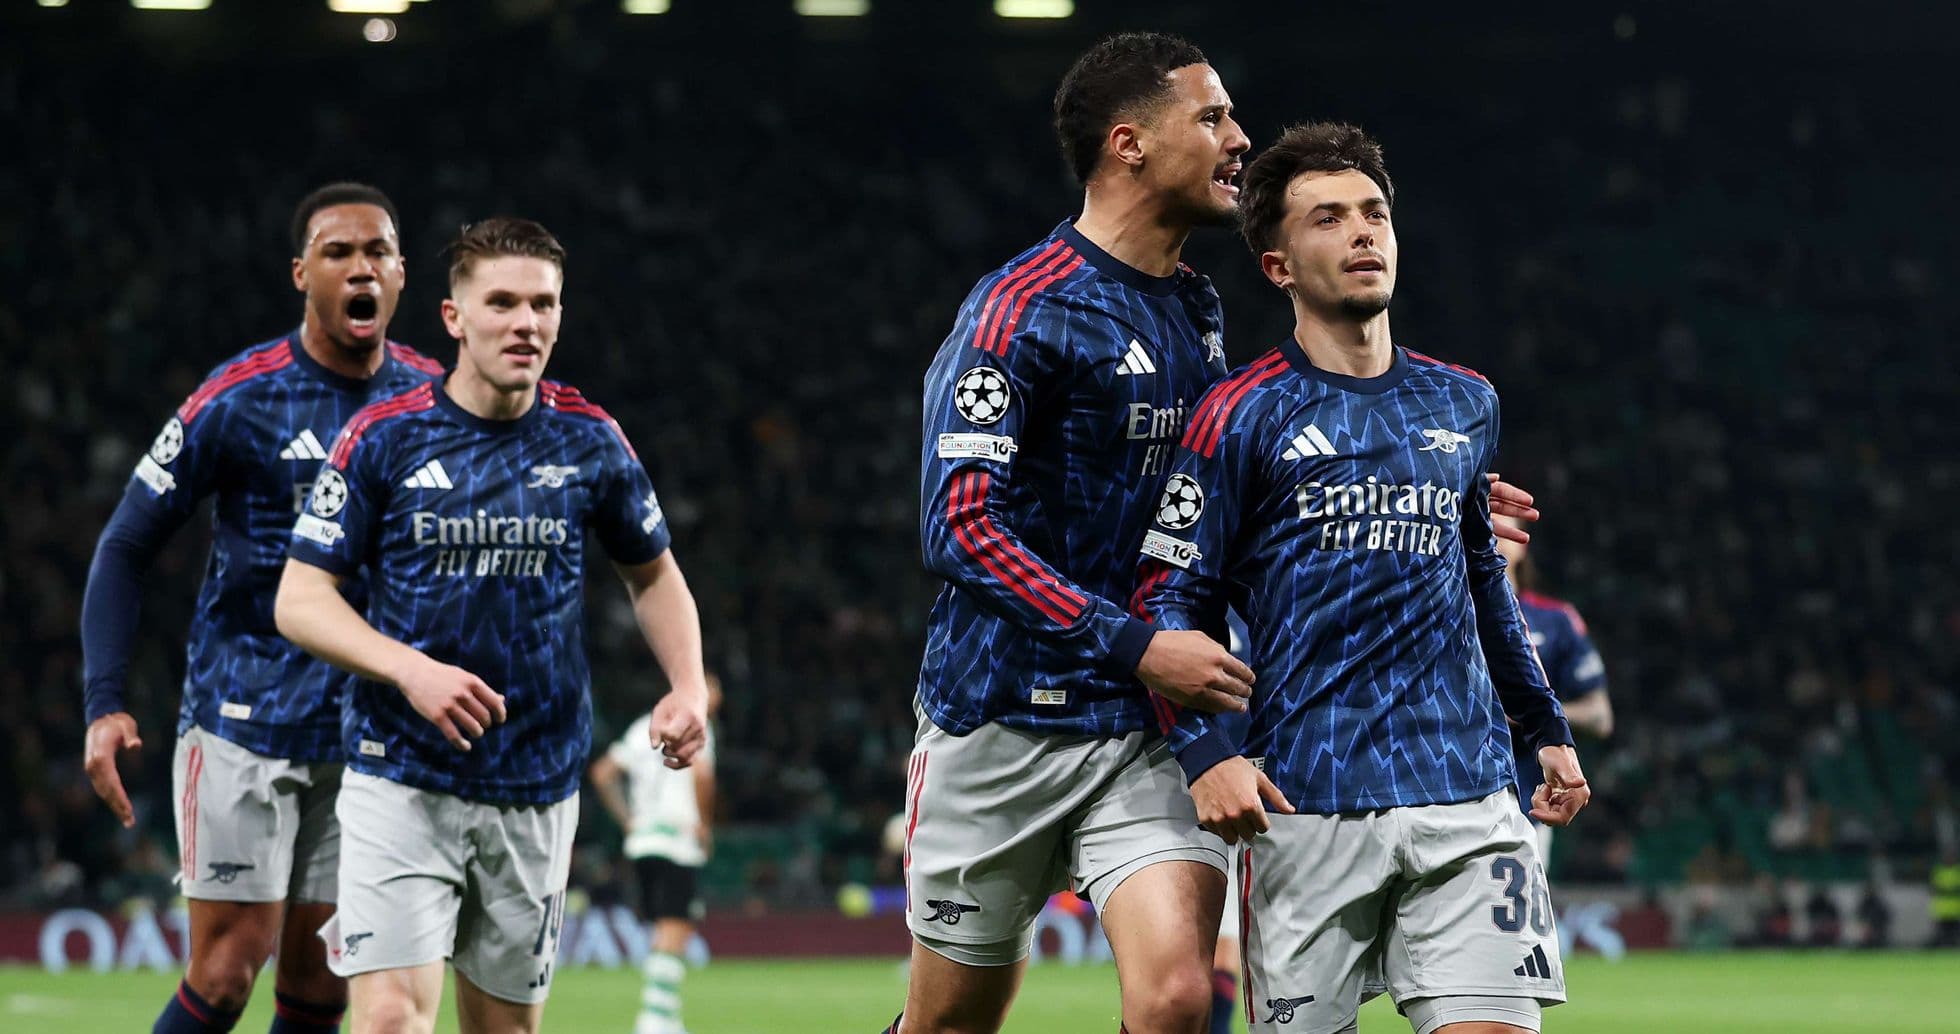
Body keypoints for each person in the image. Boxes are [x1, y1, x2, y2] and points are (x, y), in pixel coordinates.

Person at [896, 35, 1540, 1034]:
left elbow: (1224, 510)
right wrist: (1135, 638)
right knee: (949, 1024)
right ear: (1129, 145)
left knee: (1178, 999)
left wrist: (1410, 488)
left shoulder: (1196, 306)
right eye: (1211, 118)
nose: (1239, 138)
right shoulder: (1016, 311)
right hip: (1001, 715)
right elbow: (957, 524)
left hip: (1150, 723)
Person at [1134, 122, 1589, 1034]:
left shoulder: (1465, 400)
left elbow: (1478, 577)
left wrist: (1542, 723)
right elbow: (1164, 600)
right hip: (1306, 806)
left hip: (1466, 793)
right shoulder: (1238, 414)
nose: (1363, 233)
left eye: (1375, 213)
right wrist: (1205, 752)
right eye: (1329, 218)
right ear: (1278, 266)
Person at [274, 217, 710, 1034]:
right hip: (398, 774)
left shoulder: (591, 441)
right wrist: (409, 669)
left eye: (543, 304)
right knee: (391, 1020)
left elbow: (654, 576)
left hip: (536, 786)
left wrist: (688, 685)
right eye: (503, 302)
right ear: (453, 318)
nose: (526, 323)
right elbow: (300, 599)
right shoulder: (384, 437)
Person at [79, 182, 441, 1034]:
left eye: (378, 252)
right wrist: (104, 702)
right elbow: (125, 545)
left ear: (401, 275)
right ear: (300, 274)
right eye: (338, 253)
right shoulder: (241, 395)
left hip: (363, 733)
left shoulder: (432, 399)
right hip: (244, 721)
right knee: (229, 967)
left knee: (321, 987)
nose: (361, 267)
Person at [590, 675, 723, 1034]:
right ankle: (656, 1018)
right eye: (712, 686)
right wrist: (704, 825)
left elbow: (603, 773)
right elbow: (703, 778)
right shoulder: (697, 723)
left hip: (643, 841)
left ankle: (661, 1014)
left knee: (662, 926)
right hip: (676, 839)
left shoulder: (641, 727)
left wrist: (629, 821)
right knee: (675, 924)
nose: (717, 696)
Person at [1495, 513, 1611, 864]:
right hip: (1446, 798)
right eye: (1485, 527)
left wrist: (1536, 712)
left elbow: (1600, 716)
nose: (1494, 536)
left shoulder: (1555, 620)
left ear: (1523, 543)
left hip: (1525, 806)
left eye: (1503, 528)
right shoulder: (1443, 612)